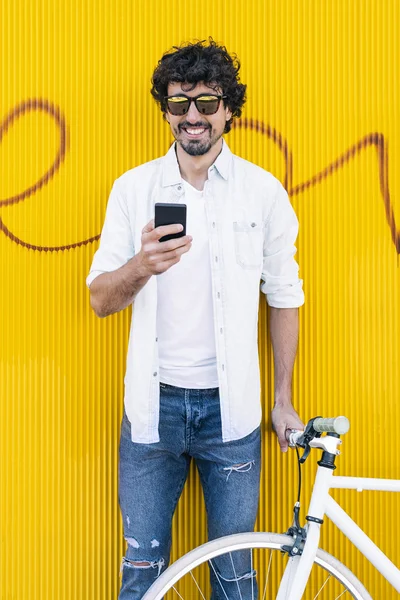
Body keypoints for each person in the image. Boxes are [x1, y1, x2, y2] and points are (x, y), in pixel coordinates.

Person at [87, 38, 304, 600]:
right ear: (165, 109)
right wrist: (141, 265)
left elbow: (284, 295)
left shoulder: (263, 193)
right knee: (142, 571)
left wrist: (282, 398)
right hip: (151, 411)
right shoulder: (134, 190)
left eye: (207, 103)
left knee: (234, 577)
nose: (193, 117)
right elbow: (100, 299)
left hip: (231, 414)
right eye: (180, 104)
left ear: (230, 109)